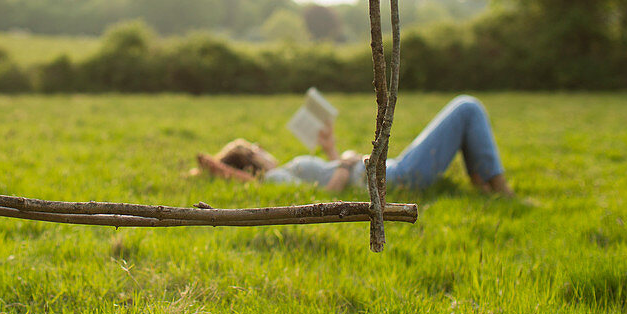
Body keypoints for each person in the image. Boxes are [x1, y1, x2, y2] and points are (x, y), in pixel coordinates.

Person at [196, 95, 513, 196]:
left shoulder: (282, 176)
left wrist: (332, 149)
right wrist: (347, 160)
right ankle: (499, 188)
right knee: (466, 107)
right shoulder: (275, 180)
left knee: (465, 112)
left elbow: (334, 181)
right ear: (251, 161)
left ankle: (485, 186)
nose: (261, 146)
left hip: (388, 172)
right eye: (254, 147)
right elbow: (329, 197)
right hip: (395, 178)